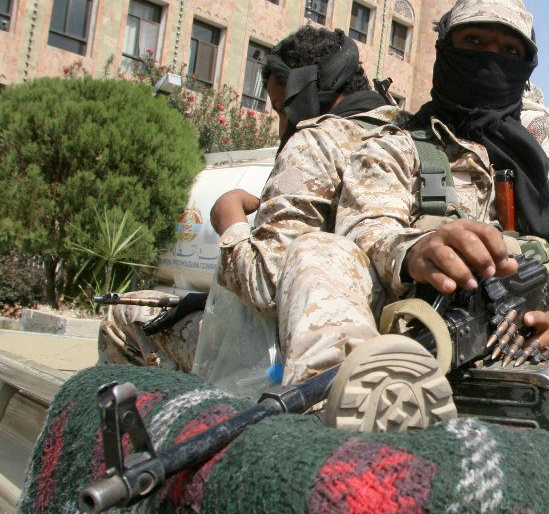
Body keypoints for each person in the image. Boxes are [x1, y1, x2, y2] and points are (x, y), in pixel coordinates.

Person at [275, 0, 549, 464]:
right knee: (319, 253)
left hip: (526, 356)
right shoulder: (394, 148)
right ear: (446, 51)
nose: (491, 59)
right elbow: (367, 231)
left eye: (509, 50)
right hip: (422, 359)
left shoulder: (538, 173)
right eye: (474, 42)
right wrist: (419, 249)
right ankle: (337, 454)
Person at [98, 26, 399, 371]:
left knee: (125, 315)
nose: (282, 127)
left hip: (294, 359)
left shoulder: (315, 143)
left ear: (304, 95)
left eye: (282, 109)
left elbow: (266, 289)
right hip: (385, 348)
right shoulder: (403, 137)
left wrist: (230, 222)